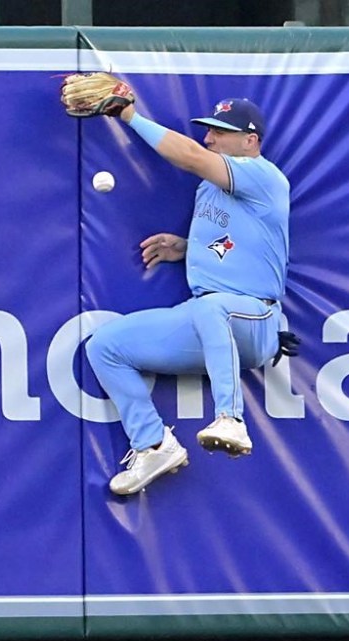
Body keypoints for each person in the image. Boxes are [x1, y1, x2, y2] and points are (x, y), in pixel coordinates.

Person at [85, 94, 291, 496]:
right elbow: (232, 243)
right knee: (105, 346)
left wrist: (129, 116)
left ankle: (230, 419)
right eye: (208, 130)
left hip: (253, 319)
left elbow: (193, 156)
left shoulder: (264, 176)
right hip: (207, 318)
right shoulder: (209, 191)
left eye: (221, 132)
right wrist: (187, 248)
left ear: (251, 141)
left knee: (211, 307)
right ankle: (153, 445)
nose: (210, 138)